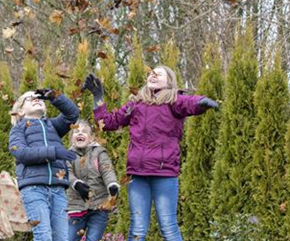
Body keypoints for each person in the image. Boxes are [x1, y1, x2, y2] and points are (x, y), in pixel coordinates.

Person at [82, 66, 219, 241]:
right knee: (137, 228)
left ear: (169, 81)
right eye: (150, 73)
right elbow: (108, 123)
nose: (152, 75)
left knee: (168, 227)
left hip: (164, 173)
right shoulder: (135, 104)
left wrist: (202, 102)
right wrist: (97, 97)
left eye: (158, 74)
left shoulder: (174, 101)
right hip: (137, 176)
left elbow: (190, 102)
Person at [8, 88, 79, 241]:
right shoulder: (18, 129)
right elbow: (21, 152)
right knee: (43, 236)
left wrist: (55, 96)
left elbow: (72, 114)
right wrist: (54, 152)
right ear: (20, 111)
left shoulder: (52, 126)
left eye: (39, 97)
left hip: (58, 189)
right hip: (33, 189)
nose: (36, 99)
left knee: (62, 237)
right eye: (30, 98)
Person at [66, 119, 120, 241]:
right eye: (76, 132)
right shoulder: (68, 155)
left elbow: (107, 170)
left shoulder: (99, 153)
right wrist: (76, 183)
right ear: (71, 138)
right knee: (70, 237)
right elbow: (67, 173)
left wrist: (112, 184)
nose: (80, 133)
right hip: (76, 206)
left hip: (99, 206)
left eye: (84, 132)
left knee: (93, 238)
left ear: (91, 138)